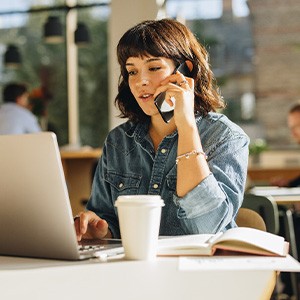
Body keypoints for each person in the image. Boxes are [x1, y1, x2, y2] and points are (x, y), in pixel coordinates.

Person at [74, 19, 249, 241]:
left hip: (199, 269)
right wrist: (100, 229)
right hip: (132, 269)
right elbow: (105, 217)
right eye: (132, 71)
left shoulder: (225, 137)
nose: (141, 82)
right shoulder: (118, 141)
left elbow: (209, 227)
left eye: (154, 68)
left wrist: (186, 125)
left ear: (186, 71)